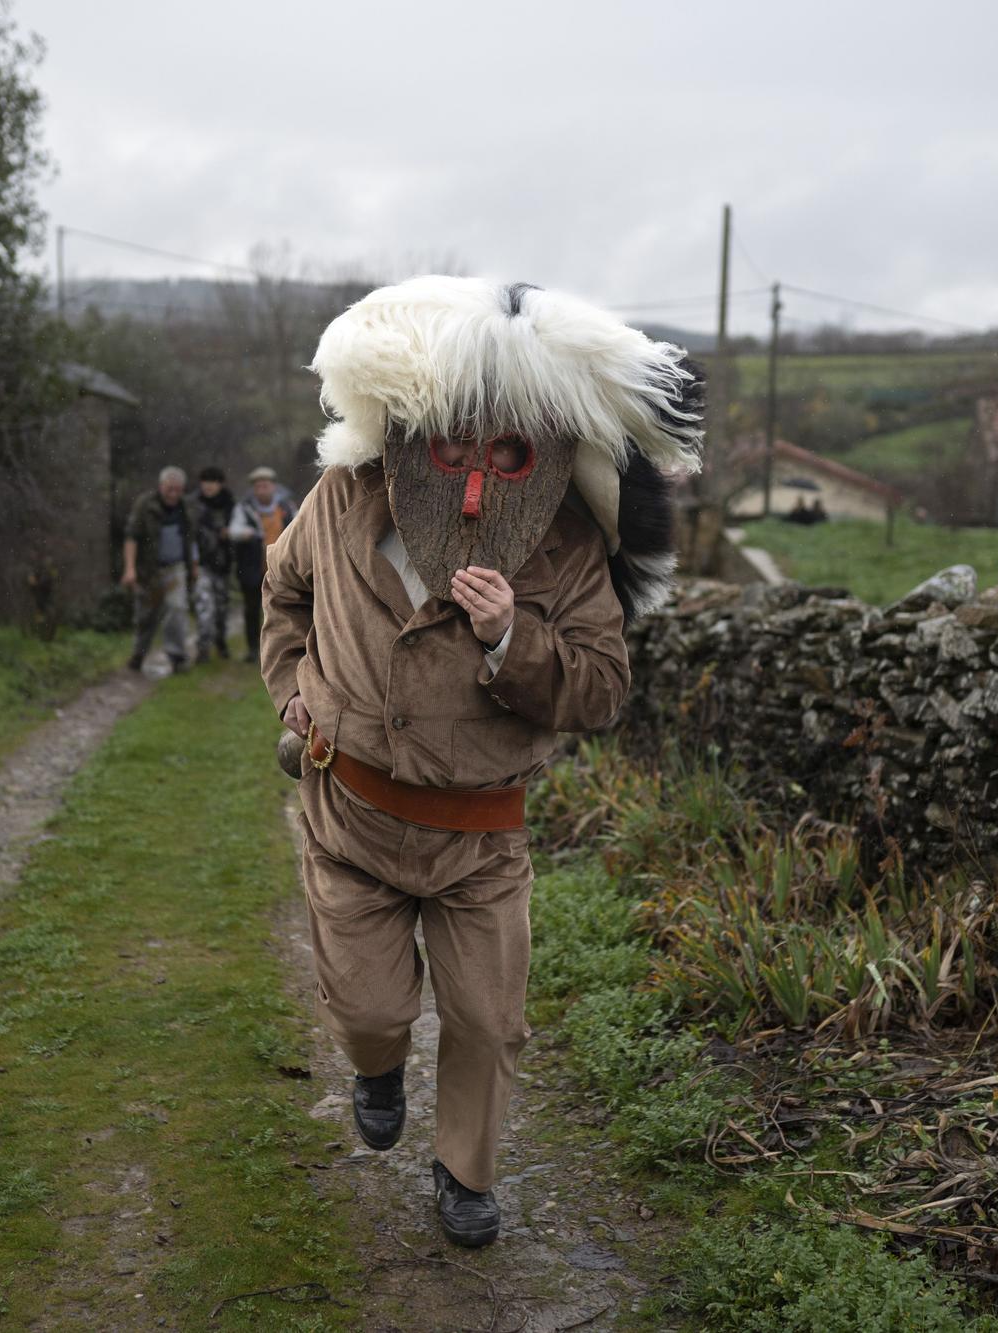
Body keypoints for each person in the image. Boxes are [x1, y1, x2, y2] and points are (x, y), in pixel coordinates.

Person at [259, 276, 702, 1248]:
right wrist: (289, 679)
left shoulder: (568, 546)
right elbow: (282, 592)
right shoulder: (342, 498)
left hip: (478, 841)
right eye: (454, 442)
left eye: (505, 450)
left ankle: (464, 1169)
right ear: (415, 426)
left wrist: (511, 639)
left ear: (542, 449)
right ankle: (374, 1063)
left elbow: (601, 688)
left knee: (486, 1021)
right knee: (369, 1006)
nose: (473, 473)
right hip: (351, 819)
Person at [122, 465, 199, 674]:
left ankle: (177, 658)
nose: (173, 493)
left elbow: (191, 539)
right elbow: (132, 537)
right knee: (146, 615)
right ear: (161, 486)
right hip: (149, 570)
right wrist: (130, 569)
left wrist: (193, 565)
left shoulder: (186, 507)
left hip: (175, 569)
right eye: (169, 488)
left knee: (176, 609)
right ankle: (139, 653)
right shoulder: (144, 505)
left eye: (177, 489)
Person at [226, 465, 297, 660]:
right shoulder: (244, 508)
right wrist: (247, 533)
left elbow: (300, 527)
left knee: (282, 610)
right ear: (253, 488)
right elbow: (233, 530)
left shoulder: (286, 507)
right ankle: (253, 649)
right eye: (258, 486)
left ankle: (282, 650)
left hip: (281, 569)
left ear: (273, 486)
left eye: (266, 485)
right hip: (251, 568)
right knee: (251, 609)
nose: (262, 489)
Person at [192, 465, 236, 662]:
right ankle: (203, 648)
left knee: (221, 607)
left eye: (213, 483)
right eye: (205, 482)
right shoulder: (193, 506)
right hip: (202, 563)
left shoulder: (230, 505)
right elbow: (188, 536)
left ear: (220, 484)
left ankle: (221, 641)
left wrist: (231, 533)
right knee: (204, 607)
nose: (208, 487)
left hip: (223, 564)